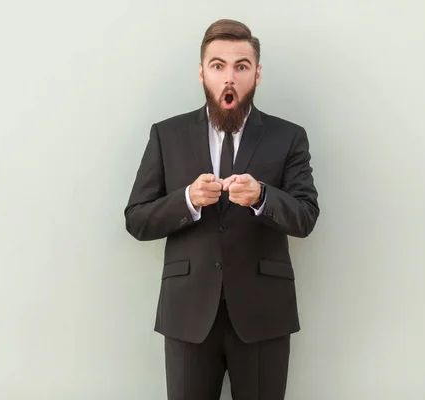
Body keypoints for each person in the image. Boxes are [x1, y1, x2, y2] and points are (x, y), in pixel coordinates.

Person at [124, 18, 320, 400]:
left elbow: (306, 216)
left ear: (257, 74)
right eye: (218, 66)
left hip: (264, 314)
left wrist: (263, 196)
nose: (229, 77)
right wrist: (187, 201)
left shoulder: (289, 136)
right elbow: (137, 219)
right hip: (187, 315)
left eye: (241, 66)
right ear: (202, 72)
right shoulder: (166, 134)